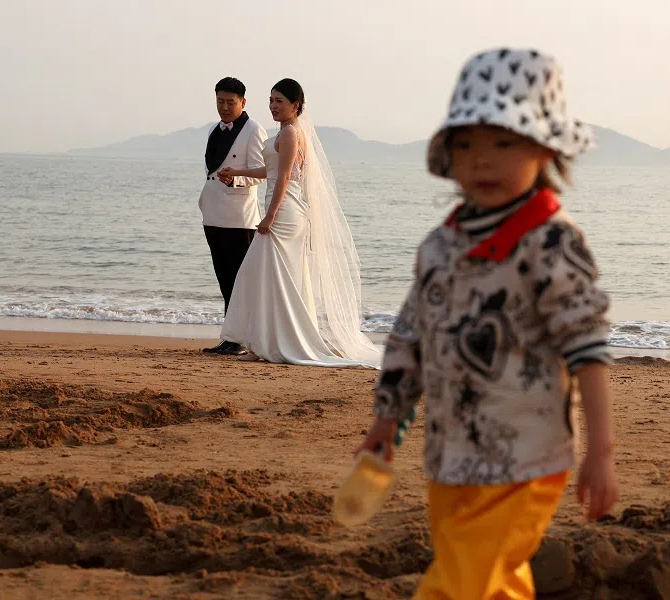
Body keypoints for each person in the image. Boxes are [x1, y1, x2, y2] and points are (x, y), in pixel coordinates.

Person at [356, 48, 618, 599]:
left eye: (504, 142)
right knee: (490, 581)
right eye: (467, 144)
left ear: (544, 148)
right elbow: (410, 339)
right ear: (448, 154)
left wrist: (601, 453)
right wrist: (388, 419)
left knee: (459, 587)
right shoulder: (440, 246)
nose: (482, 160)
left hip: (526, 456)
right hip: (449, 456)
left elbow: (587, 347)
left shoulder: (551, 242)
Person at [218, 79, 381, 368]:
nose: (273, 106)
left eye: (279, 100)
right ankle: (267, 340)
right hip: (282, 210)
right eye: (271, 100)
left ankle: (281, 341)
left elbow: (283, 180)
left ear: (296, 105)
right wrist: (237, 171)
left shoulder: (292, 134)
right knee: (268, 277)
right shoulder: (283, 133)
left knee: (268, 276)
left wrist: (269, 216)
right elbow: (269, 170)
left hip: (285, 214)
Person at [198, 77, 268, 356]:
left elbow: (261, 172)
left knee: (240, 282)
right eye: (220, 102)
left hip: (240, 218)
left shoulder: (253, 130)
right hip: (213, 214)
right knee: (224, 279)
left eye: (230, 102)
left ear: (243, 102)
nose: (224, 108)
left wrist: (235, 181)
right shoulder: (215, 130)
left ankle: (241, 339)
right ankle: (231, 336)